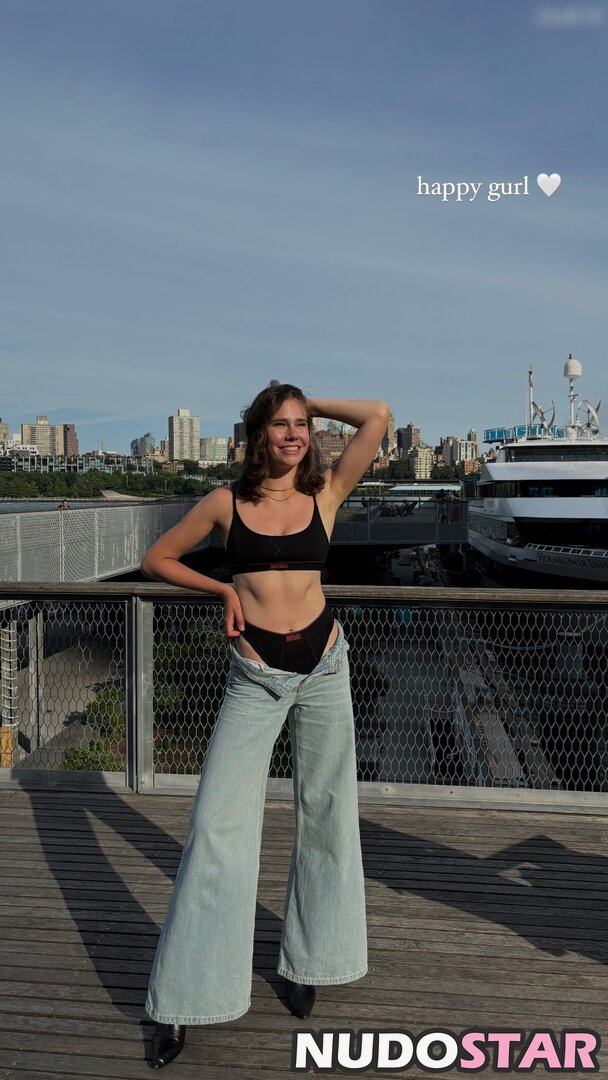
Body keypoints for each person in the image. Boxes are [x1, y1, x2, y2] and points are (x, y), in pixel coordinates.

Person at [142, 382, 390, 1069]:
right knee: (215, 828)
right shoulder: (225, 503)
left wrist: (312, 399)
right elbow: (158, 558)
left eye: (301, 424)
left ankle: (310, 962)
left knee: (328, 815)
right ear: (257, 434)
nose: (294, 435)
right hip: (255, 675)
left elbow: (378, 417)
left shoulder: (326, 494)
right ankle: (184, 998)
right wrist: (221, 587)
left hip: (325, 667)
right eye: (280, 425)